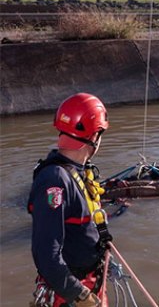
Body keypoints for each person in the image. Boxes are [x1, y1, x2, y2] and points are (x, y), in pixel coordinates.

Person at [28, 93, 111, 307]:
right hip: (70, 292)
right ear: (94, 136)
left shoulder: (80, 173)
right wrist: (80, 296)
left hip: (90, 282)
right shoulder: (55, 180)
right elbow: (47, 255)